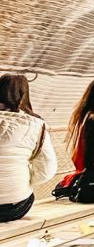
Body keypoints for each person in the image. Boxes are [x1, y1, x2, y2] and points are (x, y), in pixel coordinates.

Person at [0, 74, 57, 222]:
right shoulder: (36, 125)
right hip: (14, 207)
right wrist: (24, 181)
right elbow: (47, 170)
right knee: (27, 194)